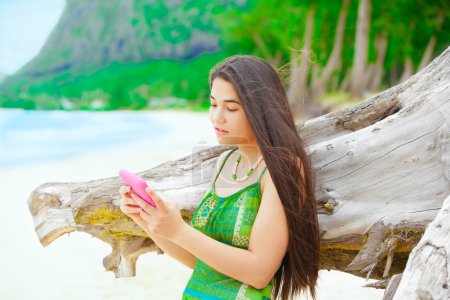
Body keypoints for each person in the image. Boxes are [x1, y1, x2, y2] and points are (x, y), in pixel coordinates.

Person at [119, 55, 320, 300]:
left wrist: (179, 231)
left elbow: (260, 272)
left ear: (261, 110)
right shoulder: (226, 162)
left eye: (231, 107)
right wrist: (146, 219)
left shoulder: (283, 168)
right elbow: (199, 261)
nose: (217, 117)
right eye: (214, 104)